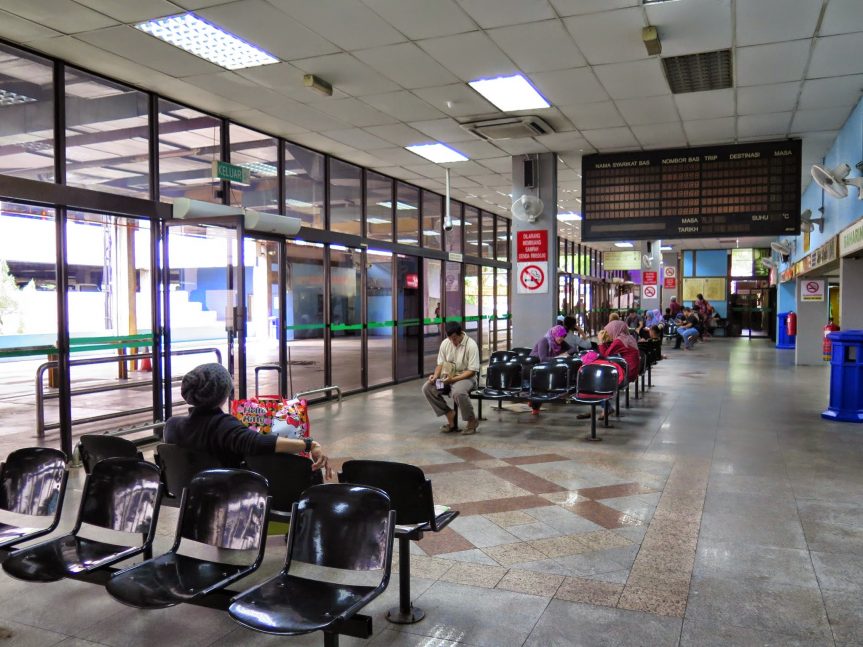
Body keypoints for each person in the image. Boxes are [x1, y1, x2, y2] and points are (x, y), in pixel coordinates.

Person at [164, 363, 331, 476]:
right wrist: (310, 444)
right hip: (227, 496)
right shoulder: (223, 427)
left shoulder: (172, 426)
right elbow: (258, 443)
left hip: (189, 498)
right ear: (224, 394)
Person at [422, 321, 481, 434]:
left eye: (454, 338)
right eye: (450, 338)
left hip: (465, 378)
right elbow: (440, 363)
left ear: (460, 334)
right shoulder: (445, 343)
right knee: (428, 387)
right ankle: (449, 415)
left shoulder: (471, 345)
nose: (452, 341)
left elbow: (472, 371)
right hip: (447, 379)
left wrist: (452, 380)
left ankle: (471, 421)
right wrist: (435, 377)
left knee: (458, 392)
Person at [528, 324, 570, 415]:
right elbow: (542, 359)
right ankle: (535, 405)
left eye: (563, 336)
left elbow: (572, 349)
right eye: (560, 336)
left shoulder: (559, 342)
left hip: (548, 367)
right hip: (536, 367)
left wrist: (567, 353)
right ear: (554, 334)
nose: (561, 338)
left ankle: (534, 401)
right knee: (543, 381)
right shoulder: (544, 341)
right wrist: (560, 357)